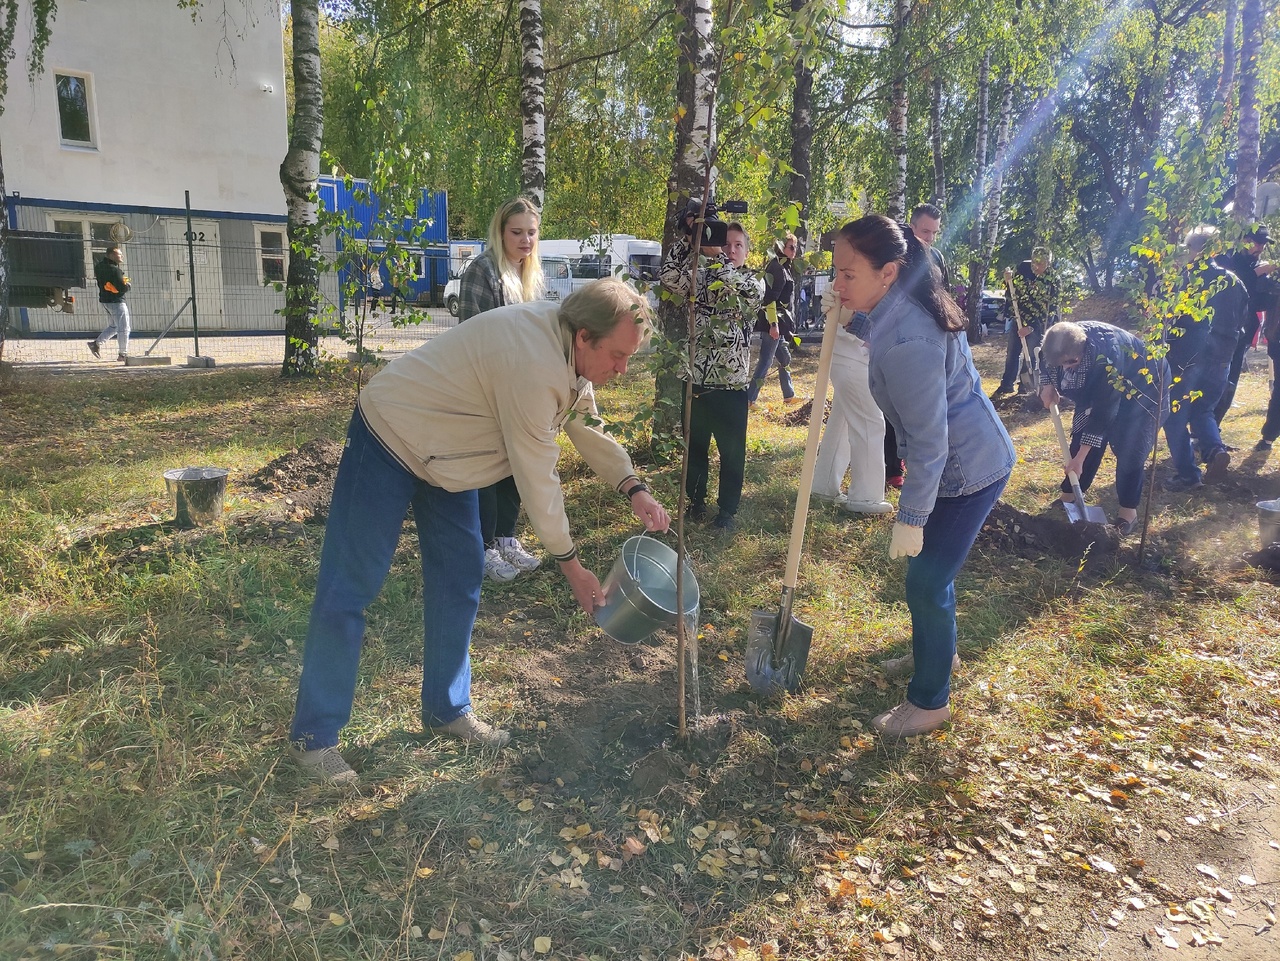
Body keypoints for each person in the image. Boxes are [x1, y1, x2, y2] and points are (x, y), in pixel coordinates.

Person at [288, 279, 671, 782]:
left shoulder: (567, 351)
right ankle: (313, 738)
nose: (621, 369)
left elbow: (586, 424)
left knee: (461, 576)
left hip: (448, 455)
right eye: (618, 356)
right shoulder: (532, 361)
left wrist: (634, 486)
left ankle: (446, 710)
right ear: (584, 336)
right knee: (351, 584)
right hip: (392, 433)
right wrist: (571, 565)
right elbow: (538, 476)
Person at [830, 215, 1014, 739]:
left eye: (848, 275)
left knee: (927, 581)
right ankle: (938, 655)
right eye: (835, 273)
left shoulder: (909, 342)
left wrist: (911, 517)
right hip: (962, 457)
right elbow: (886, 329)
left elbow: (930, 442)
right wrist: (853, 319)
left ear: (889, 272)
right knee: (932, 580)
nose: (836, 285)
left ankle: (930, 701)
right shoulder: (897, 309)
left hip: (965, 470)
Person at [458, 197, 547, 583]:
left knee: (515, 464)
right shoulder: (482, 270)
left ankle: (507, 539)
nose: (525, 240)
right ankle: (484, 548)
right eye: (517, 232)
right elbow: (473, 335)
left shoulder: (530, 274)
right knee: (489, 467)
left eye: (531, 232)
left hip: (519, 390)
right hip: (485, 388)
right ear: (500, 232)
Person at [661, 210, 763, 532]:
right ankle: (695, 502)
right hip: (695, 380)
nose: (729, 250)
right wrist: (689, 239)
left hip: (730, 386)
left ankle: (727, 513)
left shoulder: (751, 283)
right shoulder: (700, 281)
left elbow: (737, 286)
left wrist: (716, 256)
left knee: (732, 453)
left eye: (736, 245)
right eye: (723, 242)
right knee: (695, 448)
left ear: (746, 252)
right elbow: (668, 275)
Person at [1038, 321, 1170, 534]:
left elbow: (1103, 413)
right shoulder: (1057, 343)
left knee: (1130, 449)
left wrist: (1080, 458)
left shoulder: (1107, 357)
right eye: (1059, 365)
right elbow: (1045, 361)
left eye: (1070, 363)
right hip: (1100, 390)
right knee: (1082, 437)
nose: (1064, 369)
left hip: (1144, 387)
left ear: (1082, 351)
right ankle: (1070, 494)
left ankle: (1128, 513)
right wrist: (1047, 385)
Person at [1161, 225, 1248, 492]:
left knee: (1175, 415)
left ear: (1192, 249)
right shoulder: (1235, 281)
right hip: (1222, 357)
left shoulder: (1184, 281)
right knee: (1203, 410)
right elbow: (1244, 322)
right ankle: (1214, 451)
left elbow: (1171, 320)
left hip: (1189, 357)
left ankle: (1188, 475)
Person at [811, 314, 892, 515]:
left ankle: (824, 486)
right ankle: (866, 497)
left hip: (847, 351)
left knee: (843, 420)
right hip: (855, 353)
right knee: (869, 423)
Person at [1216, 225, 1278, 423]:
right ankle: (1201, 433)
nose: (1259, 248)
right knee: (1216, 381)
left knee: (1231, 382)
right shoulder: (1227, 259)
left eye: (1263, 244)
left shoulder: (1257, 265)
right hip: (1220, 331)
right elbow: (1232, 285)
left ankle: (1213, 431)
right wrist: (1259, 273)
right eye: (1256, 243)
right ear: (1244, 240)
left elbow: (1258, 302)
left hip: (1243, 333)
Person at [993, 246, 1059, 396]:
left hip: (1038, 325)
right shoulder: (1023, 268)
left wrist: (1031, 328)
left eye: (1041, 264)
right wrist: (1008, 280)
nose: (1036, 267)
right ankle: (1006, 384)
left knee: (1030, 355)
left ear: (1048, 263)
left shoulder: (1053, 281)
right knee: (1012, 352)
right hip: (1019, 318)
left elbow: (1050, 311)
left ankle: (1024, 386)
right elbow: (1012, 292)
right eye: (1034, 263)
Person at [746, 232, 802, 408]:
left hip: (781, 324)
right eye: (791, 247)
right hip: (773, 324)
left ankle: (789, 396)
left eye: (796, 247)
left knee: (784, 358)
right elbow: (769, 299)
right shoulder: (777, 268)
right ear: (781, 248)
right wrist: (773, 325)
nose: (795, 250)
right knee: (766, 361)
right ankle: (749, 399)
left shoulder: (784, 267)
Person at [87, 244, 131, 362]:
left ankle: (96, 344)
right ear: (111, 255)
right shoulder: (115, 270)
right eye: (119, 254)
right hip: (117, 301)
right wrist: (127, 286)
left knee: (114, 326)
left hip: (105, 300)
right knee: (124, 328)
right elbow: (122, 288)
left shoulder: (99, 267)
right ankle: (123, 354)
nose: (121, 256)